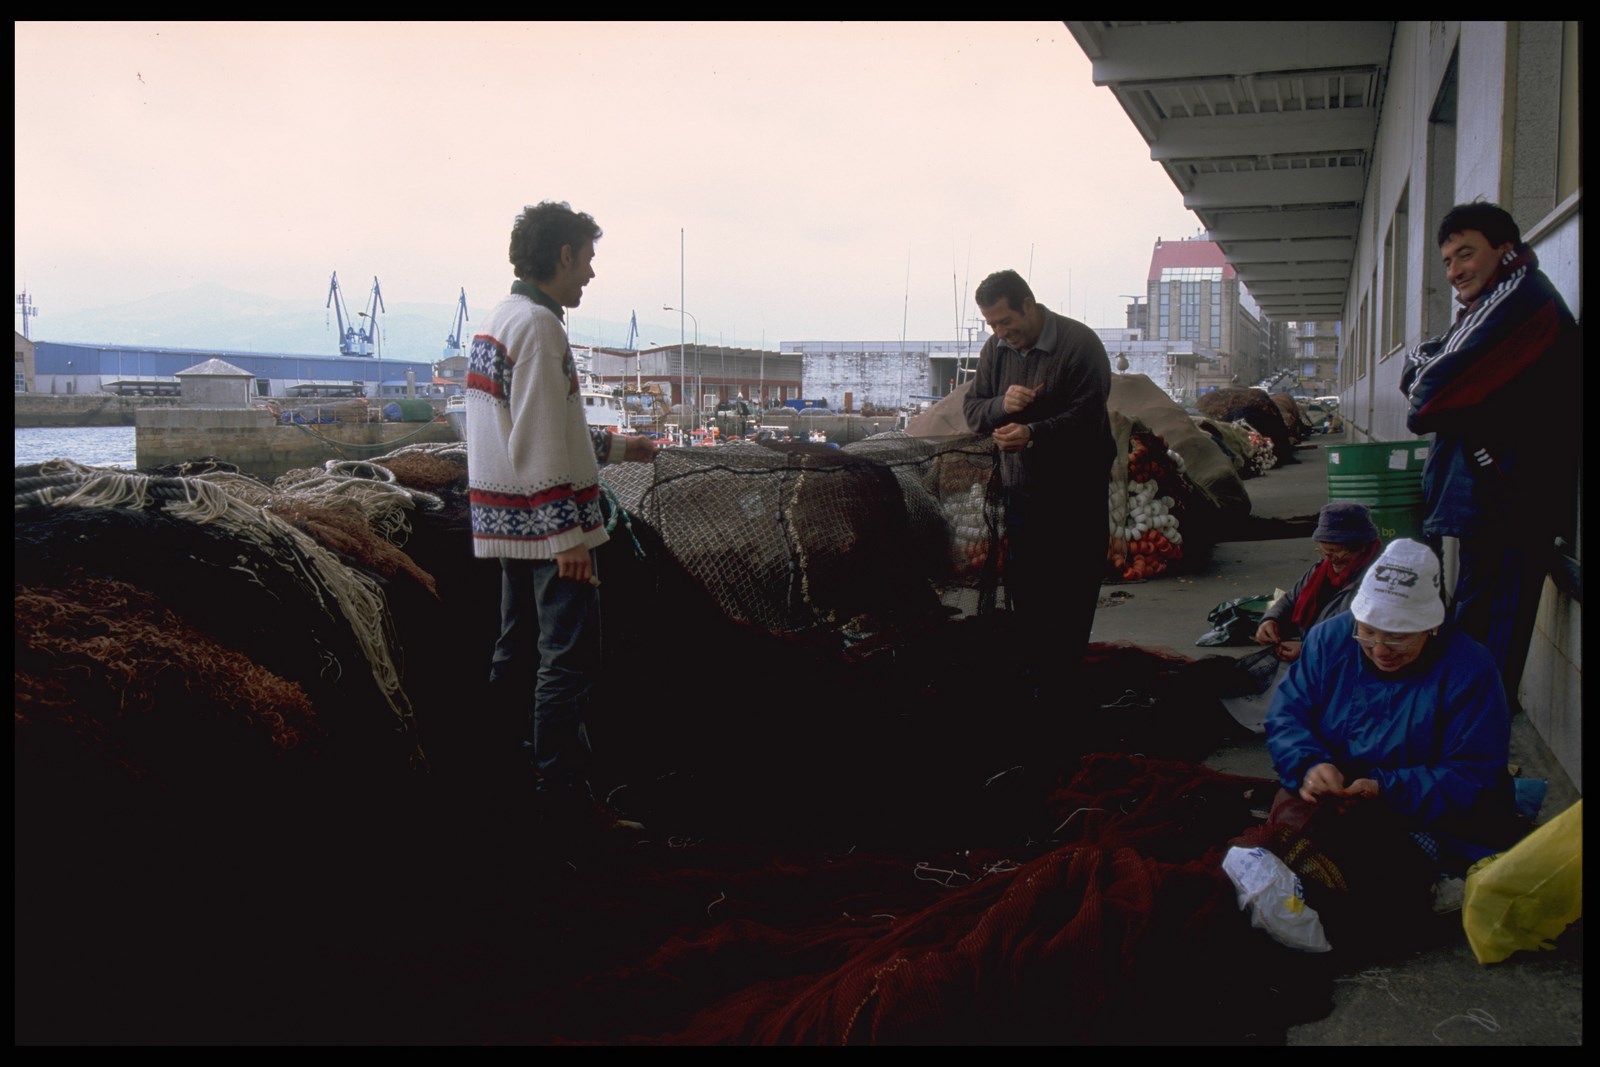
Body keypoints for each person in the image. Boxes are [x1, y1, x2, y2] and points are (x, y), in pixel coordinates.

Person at [465, 200, 658, 831]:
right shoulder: (542, 328)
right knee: (566, 664)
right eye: (588, 260)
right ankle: (565, 801)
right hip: (548, 531)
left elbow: (532, 426)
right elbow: (542, 438)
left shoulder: (499, 319)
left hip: (507, 526)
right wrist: (568, 537)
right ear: (565, 254)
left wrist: (619, 448)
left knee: (515, 653)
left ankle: (501, 781)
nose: (591, 274)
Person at [1399, 201, 1580, 712]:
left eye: (1466, 254)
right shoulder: (1489, 305)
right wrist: (1431, 371)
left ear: (1505, 249)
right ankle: (1465, 736)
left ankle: (1476, 747)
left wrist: (1432, 375)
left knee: (1489, 642)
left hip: (1511, 504)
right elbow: (1422, 364)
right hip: (1495, 500)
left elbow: (1427, 396)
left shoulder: (1519, 299)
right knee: (1477, 630)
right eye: (1447, 261)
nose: (1454, 271)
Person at [1265, 538, 1523, 881]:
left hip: (1426, 814)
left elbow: (1474, 774)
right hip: (1337, 792)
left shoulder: (1471, 669)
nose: (1380, 649)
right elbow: (1287, 716)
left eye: (1398, 637)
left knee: (1380, 869)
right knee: (1293, 829)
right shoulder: (1328, 641)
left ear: (1431, 626)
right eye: (1368, 632)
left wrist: (1384, 789)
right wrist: (1310, 765)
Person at [962, 269, 1114, 694]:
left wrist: (1033, 434)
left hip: (1077, 495)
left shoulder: (1080, 344)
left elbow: (1088, 418)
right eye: (992, 324)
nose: (1000, 332)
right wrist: (1001, 404)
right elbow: (973, 411)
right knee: (1029, 593)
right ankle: (1037, 684)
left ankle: (1064, 685)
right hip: (1022, 493)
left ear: (1028, 305)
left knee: (1072, 594)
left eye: (1005, 321)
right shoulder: (995, 350)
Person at [1252, 501, 1382, 664]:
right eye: (1324, 551)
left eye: (1335, 551)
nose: (1330, 559)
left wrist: (1309, 650)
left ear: (1361, 547)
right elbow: (1292, 598)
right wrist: (1271, 620)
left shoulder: (1378, 582)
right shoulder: (1321, 570)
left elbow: (1364, 638)